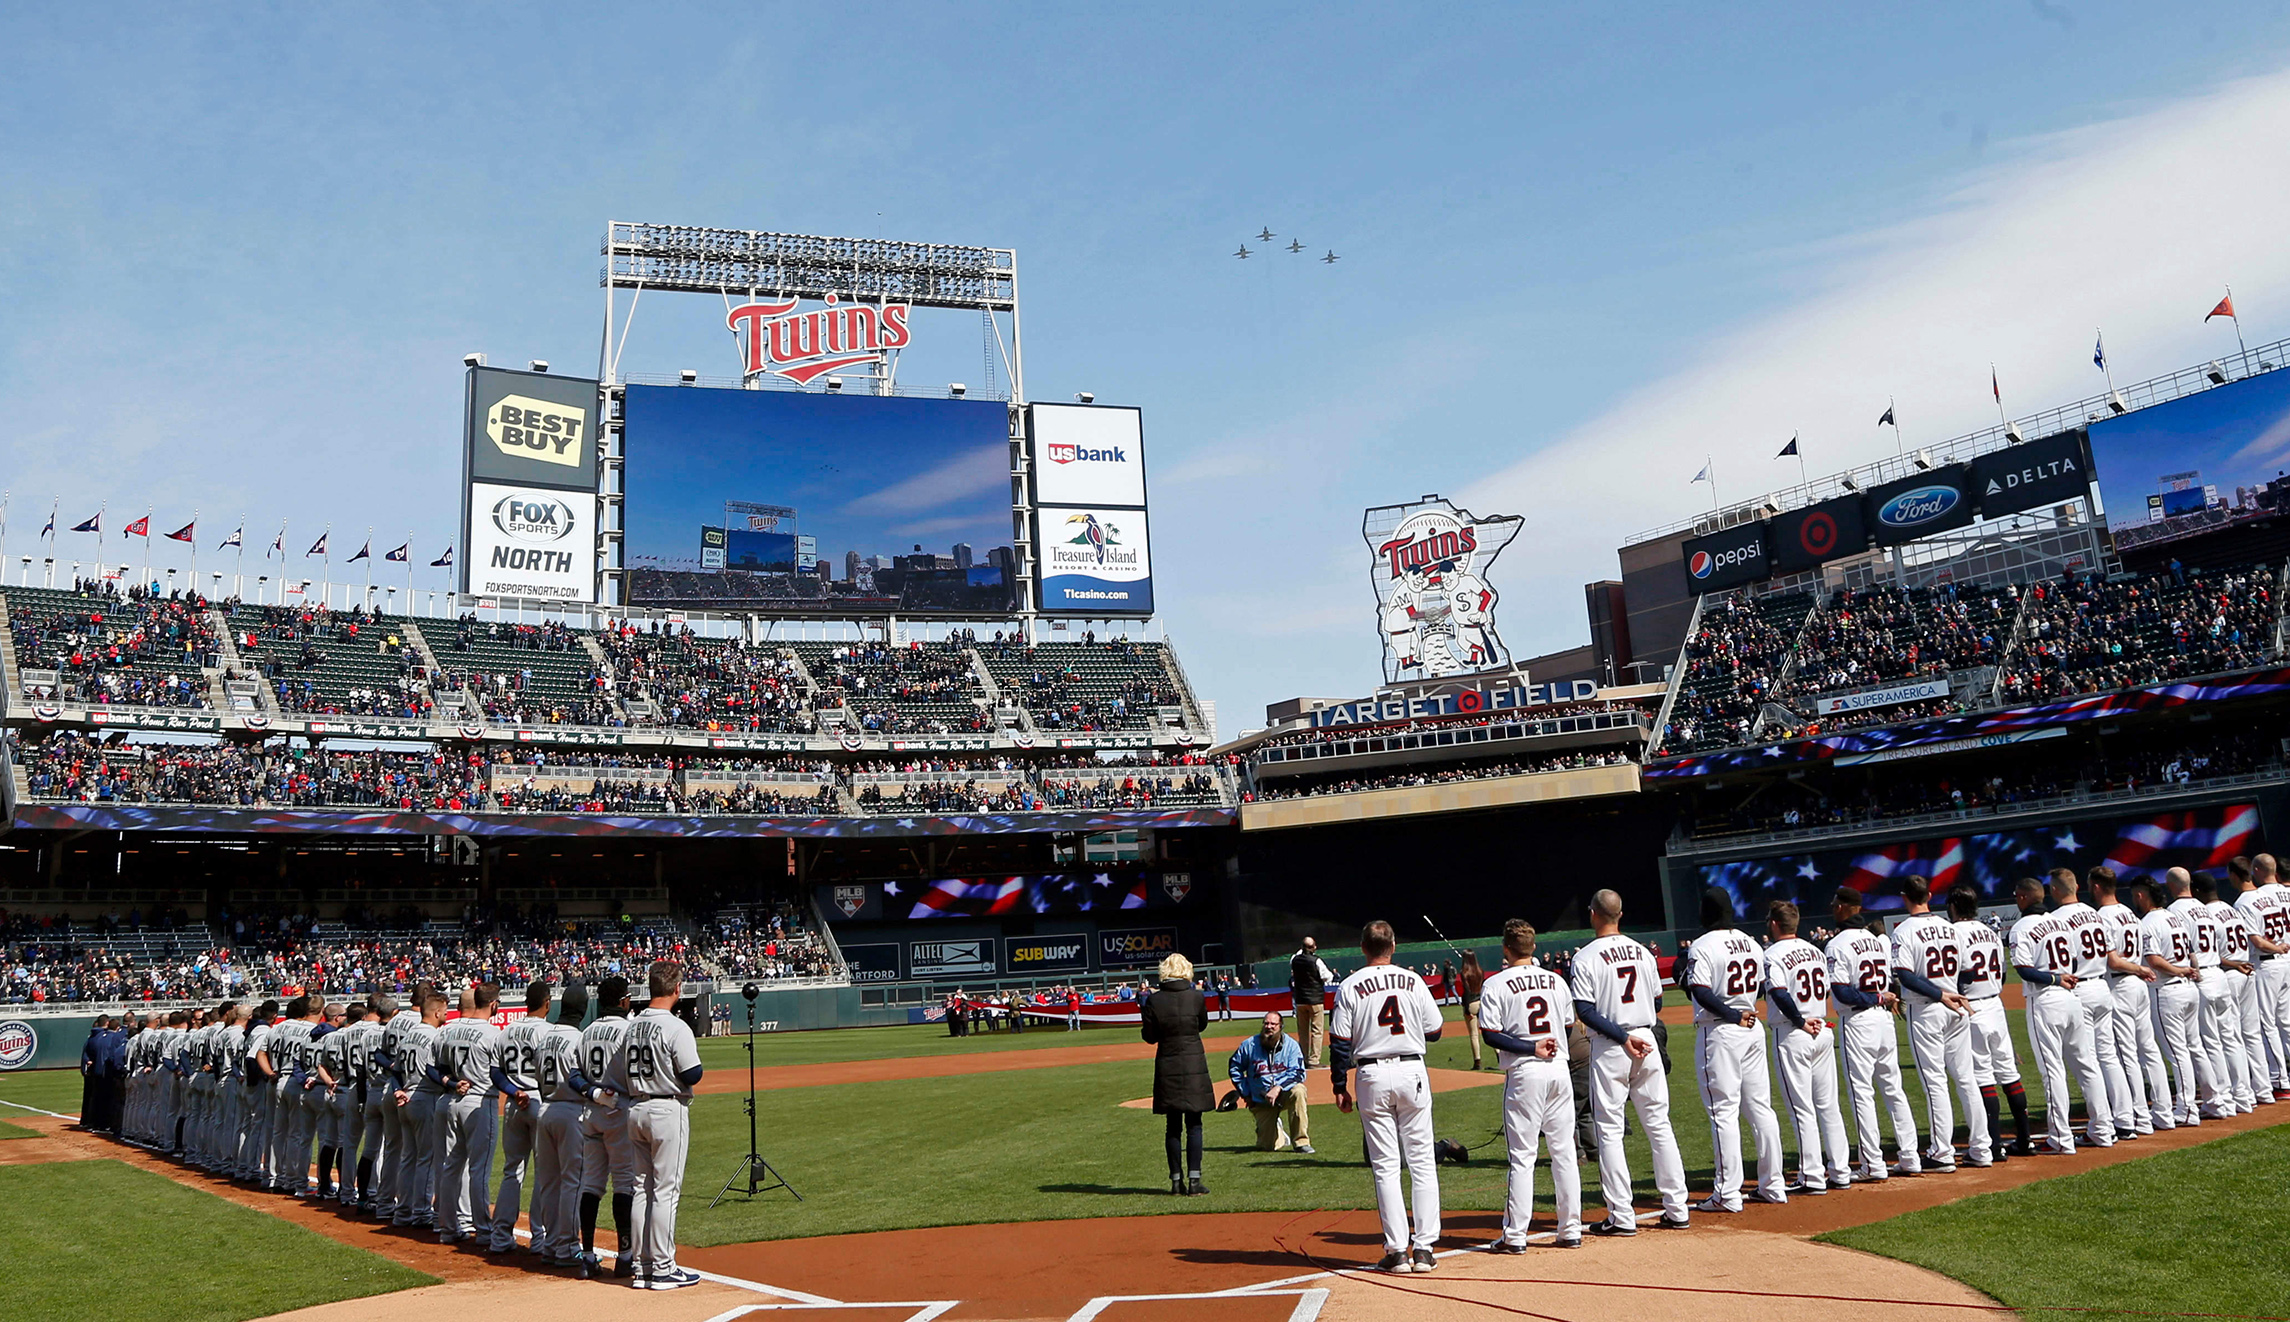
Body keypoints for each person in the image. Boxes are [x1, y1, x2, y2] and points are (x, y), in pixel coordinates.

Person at [1330, 919, 1444, 1274]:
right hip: (1412, 1070)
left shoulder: (1350, 985)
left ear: (1363, 948)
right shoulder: (1413, 980)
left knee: (1386, 1166)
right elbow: (1435, 1030)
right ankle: (1424, 1249)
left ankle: (1396, 1251)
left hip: (1372, 1074)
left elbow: (1339, 1042)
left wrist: (1338, 1086)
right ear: (1392, 946)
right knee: (1422, 1161)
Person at [1572, 888, 1688, 1233]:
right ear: (1620, 915)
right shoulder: (1642, 951)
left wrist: (1623, 1037)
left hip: (1612, 1046)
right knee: (1659, 1126)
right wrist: (1635, 1030)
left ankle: (1621, 1216)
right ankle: (1677, 1209)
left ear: (1593, 913)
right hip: (1646, 1039)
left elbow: (1585, 1010)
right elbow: (1656, 1003)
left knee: (1609, 1132)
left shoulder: (1586, 956)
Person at [1478, 919, 1580, 1251]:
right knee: (1563, 1152)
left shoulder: (1496, 983)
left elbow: (1490, 1034)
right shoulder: (1555, 980)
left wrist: (1529, 1046)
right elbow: (1566, 1024)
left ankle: (1515, 1236)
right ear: (1533, 947)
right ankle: (1570, 1230)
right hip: (1558, 1070)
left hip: (1525, 1072)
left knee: (1523, 1156)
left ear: (1505, 948)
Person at [1684, 887, 1787, 1210]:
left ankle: (1728, 1193)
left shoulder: (1702, 945)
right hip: (1751, 1026)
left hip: (1721, 1030)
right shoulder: (1752, 943)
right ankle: (1773, 1185)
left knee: (1723, 1112)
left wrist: (1728, 1012)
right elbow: (1757, 986)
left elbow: (1699, 989)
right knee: (1761, 1108)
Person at [614, 960, 704, 1290]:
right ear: (677, 989)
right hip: (666, 1109)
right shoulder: (676, 1027)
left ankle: (642, 1266)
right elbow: (693, 1073)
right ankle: (664, 1268)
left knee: (641, 1188)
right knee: (666, 1189)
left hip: (635, 1108)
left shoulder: (632, 1026)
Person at [2012, 873, 2114, 1152]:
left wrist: (2055, 978)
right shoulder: (2061, 922)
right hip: (2073, 998)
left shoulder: (2022, 927)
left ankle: (2060, 1137)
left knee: (2052, 1070)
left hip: (2046, 1000)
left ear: (2022, 898)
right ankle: (2103, 1129)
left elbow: (2023, 969)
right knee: (2086, 1064)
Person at [1890, 875, 1986, 1169]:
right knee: (1966, 1079)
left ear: (1905, 897)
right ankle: (1982, 1148)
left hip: (1928, 1008)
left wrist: (1939, 993)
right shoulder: (1950, 927)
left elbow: (1904, 975)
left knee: (1935, 1082)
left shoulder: (1904, 930)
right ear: (1929, 895)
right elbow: (1969, 972)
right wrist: (1951, 990)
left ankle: (1942, 1152)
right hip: (1956, 1007)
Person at [1762, 901, 1852, 1194]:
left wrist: (1800, 1021)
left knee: (1802, 1108)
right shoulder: (1815, 950)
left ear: (1774, 924)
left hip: (1794, 1032)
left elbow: (1778, 992)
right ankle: (1840, 1171)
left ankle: (1812, 1176)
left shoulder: (1772, 953)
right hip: (1821, 1029)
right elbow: (1825, 988)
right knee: (1828, 1106)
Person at [1948, 887, 2031, 1157]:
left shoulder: (1954, 933)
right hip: (1996, 1003)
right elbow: (2004, 974)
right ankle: (2025, 1139)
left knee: (1983, 1077)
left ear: (1953, 907)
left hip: (1972, 1007)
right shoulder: (1990, 931)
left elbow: (1961, 975)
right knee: (2008, 1073)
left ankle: (1993, 1145)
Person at [2089, 868, 2167, 1136]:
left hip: (2121, 982)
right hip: (2138, 985)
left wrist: (2137, 969)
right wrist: (2140, 970)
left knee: (2126, 1054)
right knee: (2148, 1048)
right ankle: (2164, 1112)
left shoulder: (2101, 916)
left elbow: (2112, 960)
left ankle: (2139, 1117)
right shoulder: (2130, 913)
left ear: (2097, 887)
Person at [2168, 869, 2250, 1116]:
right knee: (2231, 1037)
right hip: (2219, 974)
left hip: (2202, 975)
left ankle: (2222, 1098)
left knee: (2211, 1041)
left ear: (2171, 885)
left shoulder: (2175, 911)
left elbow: (2184, 947)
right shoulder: (2204, 907)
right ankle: (2243, 1096)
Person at [576, 975, 639, 1279]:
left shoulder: (586, 1032)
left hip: (591, 1111)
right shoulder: (628, 1030)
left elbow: (574, 1074)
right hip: (620, 1110)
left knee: (591, 1184)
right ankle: (625, 1255)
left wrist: (593, 1093)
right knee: (624, 1183)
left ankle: (587, 1255)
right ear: (624, 1000)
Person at [2134, 879, 2209, 1126]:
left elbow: (2153, 960)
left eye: (2137, 895)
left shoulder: (2148, 923)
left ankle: (2187, 1109)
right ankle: (2213, 1098)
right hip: (2188, 989)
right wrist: (2191, 970)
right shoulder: (2175, 918)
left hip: (2167, 991)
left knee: (2177, 1054)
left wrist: (2178, 971)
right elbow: (2191, 952)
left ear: (2143, 896)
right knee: (2193, 1047)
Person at [489, 981, 554, 1254]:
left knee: (511, 1171)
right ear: (547, 1003)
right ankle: (539, 1238)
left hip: (515, 1103)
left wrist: (513, 1092)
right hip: (540, 1101)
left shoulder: (506, 1031)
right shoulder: (550, 1032)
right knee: (544, 1172)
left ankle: (500, 1236)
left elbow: (495, 1073)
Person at [1142, 952, 1214, 1196]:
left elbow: (1149, 1036)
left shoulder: (1154, 1000)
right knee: (1195, 1124)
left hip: (1168, 1064)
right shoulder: (1196, 996)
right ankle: (1195, 1181)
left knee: (1172, 1126)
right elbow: (1202, 1025)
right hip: (1193, 1063)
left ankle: (1175, 1182)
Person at [533, 980, 591, 1269]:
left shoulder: (545, 1037)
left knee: (550, 1182)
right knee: (573, 1181)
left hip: (545, 1108)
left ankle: (552, 1244)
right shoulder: (579, 1039)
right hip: (571, 1111)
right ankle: (568, 1246)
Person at [2230, 854, 2290, 1098]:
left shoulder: (2249, 900)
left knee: (2267, 1024)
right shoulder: (2279, 894)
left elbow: (2256, 940)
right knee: (2285, 1021)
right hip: (2285, 960)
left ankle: (2279, 1079)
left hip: (2268, 964)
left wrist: (2275, 947)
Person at [1227, 1011, 1310, 1153]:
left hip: (1284, 1094)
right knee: (1267, 1147)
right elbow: (1234, 1067)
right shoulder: (1249, 1045)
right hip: (1261, 1099)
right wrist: (1246, 1093)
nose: (1269, 1027)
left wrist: (1279, 1087)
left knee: (1299, 1091)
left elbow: (1298, 1073)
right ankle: (1278, 1131)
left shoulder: (1291, 1046)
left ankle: (1301, 1142)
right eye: (1266, 1023)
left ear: (1281, 1026)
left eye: (1273, 1024)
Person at [1289, 937, 1334, 1067]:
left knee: (1303, 1031)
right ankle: (1314, 1060)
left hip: (1300, 1000)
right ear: (1313, 947)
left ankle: (1303, 1058)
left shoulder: (1294, 960)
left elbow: (1296, 955)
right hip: (1315, 1000)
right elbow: (1328, 977)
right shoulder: (1317, 961)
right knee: (1317, 1031)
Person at [1456, 951, 1488, 1070]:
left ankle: (1477, 1061)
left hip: (1472, 1003)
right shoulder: (1480, 971)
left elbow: (1467, 991)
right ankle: (1499, 1055)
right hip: (1481, 1002)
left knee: (1474, 1035)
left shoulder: (1464, 973)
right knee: (1489, 1030)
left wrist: (1467, 1008)